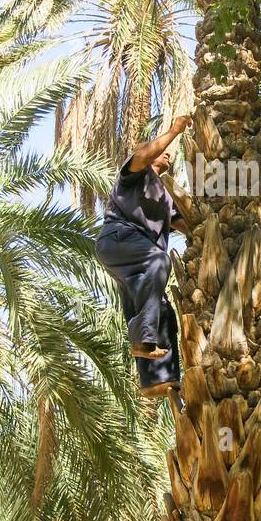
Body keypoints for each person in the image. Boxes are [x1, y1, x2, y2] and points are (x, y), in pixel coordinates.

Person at [95, 114, 193, 398]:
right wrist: (174, 130)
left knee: (161, 308)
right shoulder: (133, 174)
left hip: (135, 259)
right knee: (159, 261)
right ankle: (143, 336)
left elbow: (186, 224)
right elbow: (141, 153)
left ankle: (157, 379)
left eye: (169, 153)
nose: (168, 153)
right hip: (119, 239)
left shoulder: (164, 195)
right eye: (160, 150)